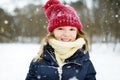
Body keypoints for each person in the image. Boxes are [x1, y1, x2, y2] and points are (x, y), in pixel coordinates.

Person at [25, 0, 96, 80]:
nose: (66, 34)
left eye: (72, 29)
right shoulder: (38, 61)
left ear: (77, 32)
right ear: (53, 32)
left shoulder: (84, 61)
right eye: (60, 29)